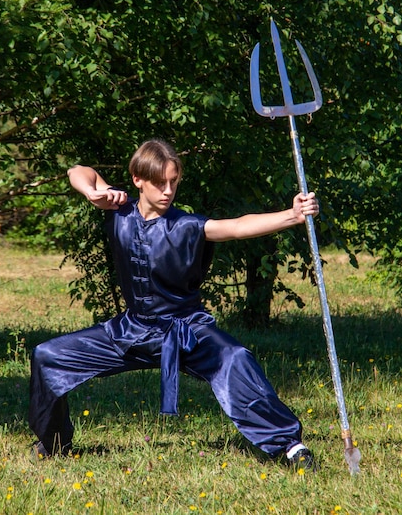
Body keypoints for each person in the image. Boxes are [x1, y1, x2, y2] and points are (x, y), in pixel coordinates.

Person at [29, 139, 320, 470]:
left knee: (235, 358)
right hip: (130, 330)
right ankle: (53, 443)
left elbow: (238, 227)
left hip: (185, 331)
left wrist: (293, 214)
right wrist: (91, 193)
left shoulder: (187, 225)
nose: (168, 191)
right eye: (159, 182)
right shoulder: (117, 209)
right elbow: (78, 171)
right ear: (138, 179)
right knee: (48, 356)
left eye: (174, 182)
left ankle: (289, 446)